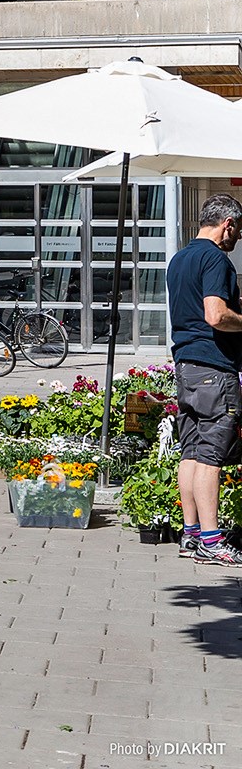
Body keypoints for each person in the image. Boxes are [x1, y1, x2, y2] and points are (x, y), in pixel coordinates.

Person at [167, 194, 242, 565]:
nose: (239, 238)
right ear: (227, 223)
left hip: (186, 367)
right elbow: (216, 315)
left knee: (192, 452)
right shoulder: (215, 259)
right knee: (211, 455)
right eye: (239, 230)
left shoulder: (179, 258)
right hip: (215, 368)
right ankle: (212, 541)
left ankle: (191, 534)